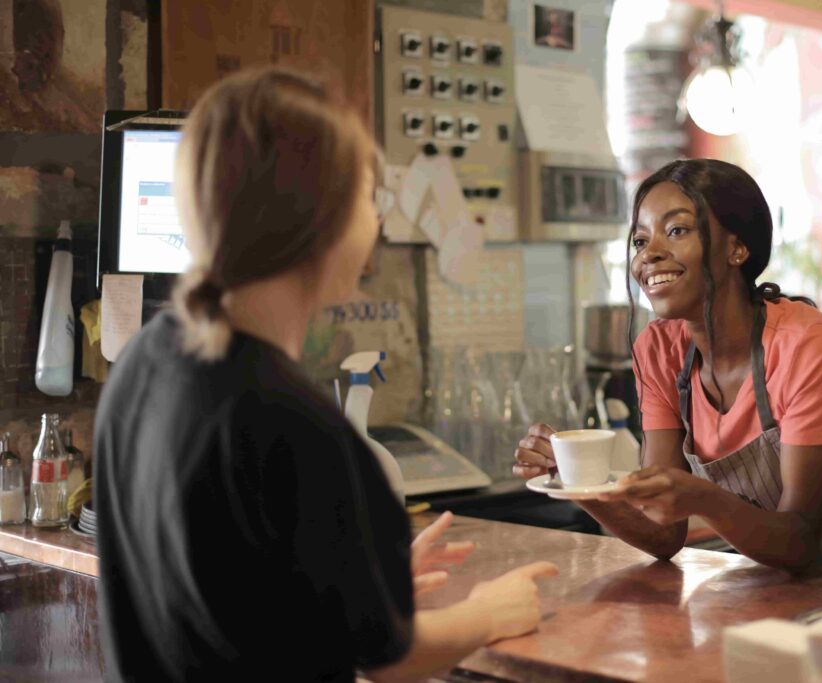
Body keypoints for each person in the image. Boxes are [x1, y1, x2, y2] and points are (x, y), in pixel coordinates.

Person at [94, 66, 557, 682]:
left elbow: (244, 594)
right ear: (323, 224)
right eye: (370, 198)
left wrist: (362, 580)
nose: (377, 223)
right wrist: (486, 613)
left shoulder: (144, 362)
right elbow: (392, 662)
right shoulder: (296, 423)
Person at [513, 159, 822, 572]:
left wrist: (704, 498)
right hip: (780, 584)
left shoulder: (807, 346)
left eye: (677, 230)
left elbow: (799, 540)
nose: (650, 255)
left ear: (737, 249)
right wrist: (577, 479)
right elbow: (664, 535)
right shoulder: (659, 350)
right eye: (640, 240)